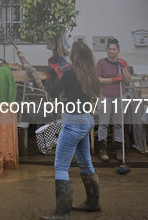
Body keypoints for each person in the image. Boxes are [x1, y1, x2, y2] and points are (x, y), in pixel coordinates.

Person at [43, 42, 101, 219]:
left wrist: (49, 77)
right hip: (86, 120)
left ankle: (62, 213)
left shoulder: (70, 74)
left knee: (61, 166)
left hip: (73, 123)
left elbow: (53, 92)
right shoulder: (91, 73)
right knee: (85, 163)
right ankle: (93, 203)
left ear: (74, 56)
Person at [95, 38, 131, 162]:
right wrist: (114, 79)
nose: (111, 51)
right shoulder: (101, 63)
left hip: (120, 96)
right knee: (104, 123)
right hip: (105, 95)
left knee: (118, 124)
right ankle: (102, 149)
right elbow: (97, 79)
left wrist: (124, 66)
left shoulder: (122, 63)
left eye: (114, 49)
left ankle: (118, 149)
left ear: (118, 51)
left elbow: (127, 80)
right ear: (106, 50)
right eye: (109, 49)